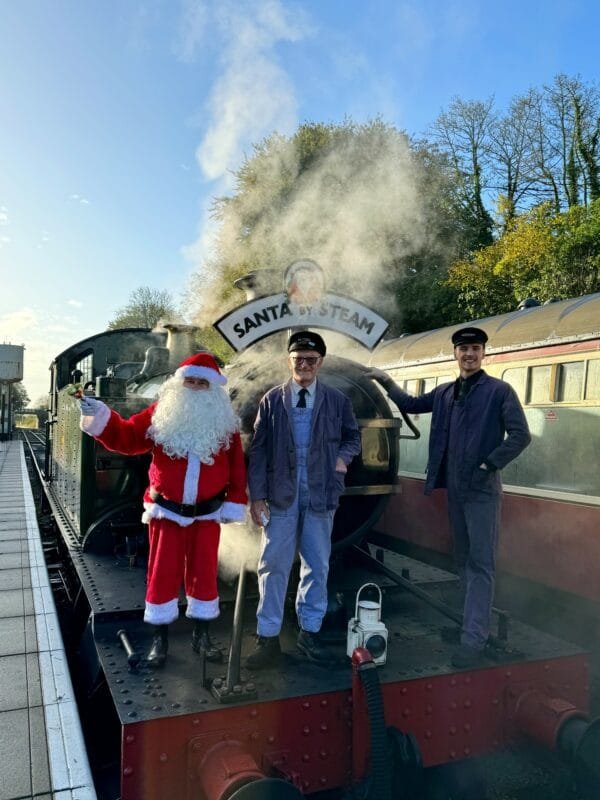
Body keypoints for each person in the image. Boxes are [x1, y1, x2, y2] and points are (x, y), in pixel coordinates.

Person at [367, 327, 531, 668]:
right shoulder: (444, 393)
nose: (468, 354)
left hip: (482, 492)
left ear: (484, 353)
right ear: (454, 354)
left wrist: (490, 463)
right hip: (456, 491)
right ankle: (466, 627)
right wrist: (385, 381)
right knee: (462, 560)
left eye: (474, 348)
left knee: (480, 565)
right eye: (463, 349)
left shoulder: (500, 392)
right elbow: (411, 404)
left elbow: (520, 435)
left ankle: (474, 640)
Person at [78, 352, 247, 668]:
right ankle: (160, 640)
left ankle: (202, 636)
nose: (195, 387)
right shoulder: (161, 413)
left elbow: (237, 468)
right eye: (190, 380)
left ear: (213, 388)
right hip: (166, 513)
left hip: (207, 515)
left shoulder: (225, 423)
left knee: (204, 575)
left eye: (202, 382)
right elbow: (127, 438)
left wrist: (235, 502)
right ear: (179, 383)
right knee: (162, 575)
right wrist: (101, 416)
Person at [246, 330, 361, 669]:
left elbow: (353, 437)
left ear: (320, 363)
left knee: (317, 564)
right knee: (272, 566)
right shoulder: (271, 400)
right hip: (281, 494)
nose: (305, 364)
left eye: (311, 360)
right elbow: (259, 450)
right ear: (290, 361)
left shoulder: (337, 400)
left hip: (321, 492)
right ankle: (267, 639)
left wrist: (342, 459)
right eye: (299, 359)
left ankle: (310, 632)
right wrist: (257, 497)